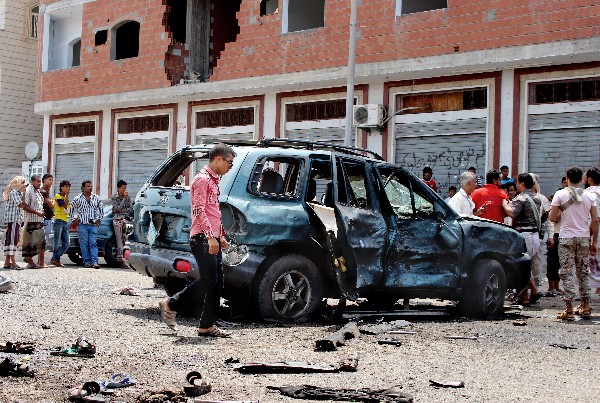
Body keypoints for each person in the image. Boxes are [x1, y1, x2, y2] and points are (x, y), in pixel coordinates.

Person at [159, 143, 236, 338]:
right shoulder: (202, 180)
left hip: (212, 238)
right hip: (202, 238)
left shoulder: (214, 181)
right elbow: (198, 211)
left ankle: (206, 326)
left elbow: (214, 212)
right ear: (218, 158)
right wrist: (211, 236)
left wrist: (221, 235)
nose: (230, 167)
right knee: (208, 280)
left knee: (217, 283)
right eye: (229, 162)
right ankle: (171, 303)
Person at [549, 166, 598, 321]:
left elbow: (551, 217)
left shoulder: (560, 194)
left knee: (566, 272)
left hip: (566, 237)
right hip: (584, 237)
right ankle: (586, 306)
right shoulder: (589, 196)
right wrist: (594, 241)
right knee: (583, 272)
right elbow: (595, 220)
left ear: (567, 178)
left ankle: (569, 309)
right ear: (581, 179)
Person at [502, 173, 543, 306]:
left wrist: (504, 204)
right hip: (535, 236)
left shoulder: (521, 198)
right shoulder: (536, 198)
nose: (517, 186)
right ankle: (525, 296)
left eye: (518, 183)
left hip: (525, 236)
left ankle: (532, 292)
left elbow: (512, 213)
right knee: (526, 266)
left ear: (523, 184)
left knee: (523, 267)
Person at [70, 180, 104, 268]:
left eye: (91, 186)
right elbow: (71, 209)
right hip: (82, 224)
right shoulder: (78, 198)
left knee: (93, 243)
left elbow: (101, 210)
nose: (90, 188)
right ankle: (87, 261)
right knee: (84, 244)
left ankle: (95, 262)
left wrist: (99, 219)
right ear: (83, 188)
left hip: (92, 225)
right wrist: (74, 219)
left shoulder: (96, 198)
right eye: (88, 186)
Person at [21, 175, 46, 269]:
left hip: (39, 220)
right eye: (38, 181)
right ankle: (29, 261)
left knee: (41, 242)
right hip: (30, 220)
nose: (40, 183)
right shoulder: (28, 191)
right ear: (32, 182)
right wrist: (37, 212)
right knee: (29, 243)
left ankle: (39, 262)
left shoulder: (37, 191)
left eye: (40, 182)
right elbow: (24, 206)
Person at [2, 176, 27, 270]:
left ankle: (7, 262)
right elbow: (21, 205)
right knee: (13, 241)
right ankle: (13, 262)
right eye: (24, 183)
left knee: (11, 240)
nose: (25, 185)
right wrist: (24, 194)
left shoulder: (15, 192)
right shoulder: (15, 192)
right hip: (13, 220)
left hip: (13, 219)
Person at [584, 167, 600, 295]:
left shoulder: (591, 194)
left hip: (596, 234)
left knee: (593, 265)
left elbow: (595, 219)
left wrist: (589, 235)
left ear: (589, 179)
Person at [111, 180, 133, 266]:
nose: (124, 190)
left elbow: (130, 208)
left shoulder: (128, 197)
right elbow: (118, 209)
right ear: (118, 188)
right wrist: (123, 199)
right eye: (123, 188)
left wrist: (124, 210)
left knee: (127, 239)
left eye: (125, 188)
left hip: (126, 219)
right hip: (118, 220)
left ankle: (127, 258)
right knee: (119, 240)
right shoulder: (114, 197)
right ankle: (121, 259)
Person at [50, 180, 71, 267]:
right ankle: (56, 259)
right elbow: (64, 205)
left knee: (66, 243)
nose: (68, 189)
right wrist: (67, 195)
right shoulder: (58, 196)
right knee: (57, 241)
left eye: (69, 187)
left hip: (65, 221)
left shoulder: (66, 198)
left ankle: (55, 257)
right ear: (62, 187)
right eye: (66, 187)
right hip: (58, 220)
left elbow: (67, 209)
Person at [39, 174, 55, 266]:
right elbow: (51, 205)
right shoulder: (43, 191)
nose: (51, 182)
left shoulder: (46, 191)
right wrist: (55, 200)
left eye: (52, 180)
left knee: (44, 240)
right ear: (44, 180)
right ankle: (41, 262)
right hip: (45, 220)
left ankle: (40, 262)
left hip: (47, 218)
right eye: (50, 180)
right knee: (43, 240)